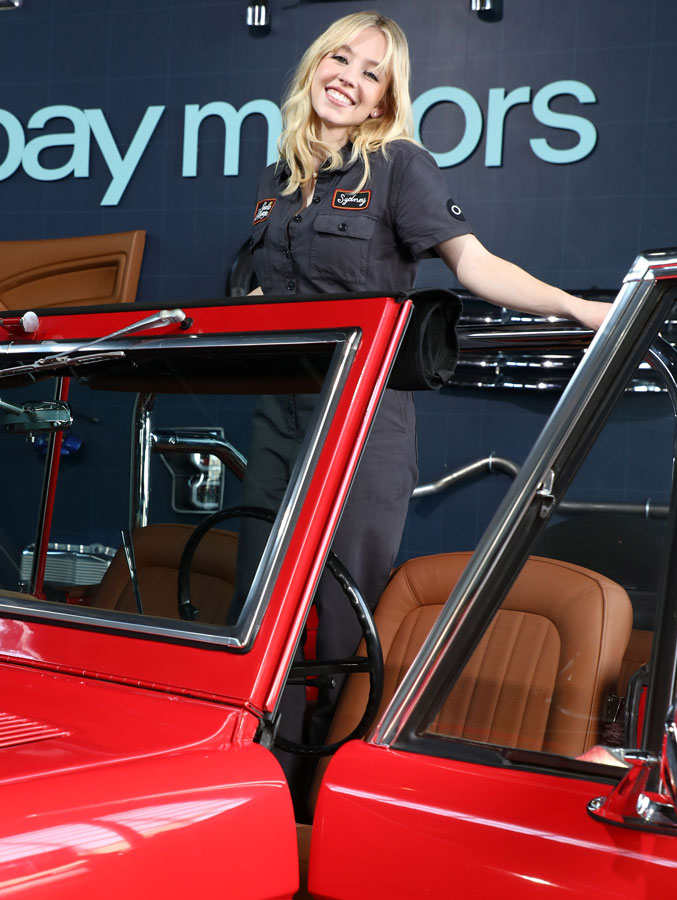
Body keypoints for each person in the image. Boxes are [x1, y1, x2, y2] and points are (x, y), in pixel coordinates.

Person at [237, 10, 612, 799]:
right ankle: (250, 779)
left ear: (382, 99)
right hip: (280, 414)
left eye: (370, 71)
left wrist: (578, 309)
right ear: (314, 67)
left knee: (345, 612)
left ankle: (323, 798)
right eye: (340, 57)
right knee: (258, 600)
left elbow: (473, 267)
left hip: (363, 421)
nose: (349, 75)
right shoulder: (278, 179)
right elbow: (258, 297)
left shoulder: (399, 167)